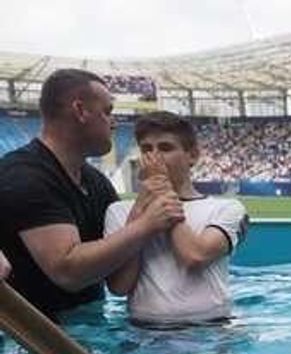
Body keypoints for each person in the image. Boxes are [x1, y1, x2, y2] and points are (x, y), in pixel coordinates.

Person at [0, 69, 183, 318]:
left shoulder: (96, 182)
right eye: (107, 112)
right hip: (33, 342)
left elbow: (119, 278)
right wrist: (147, 225)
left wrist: (145, 202)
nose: (114, 122)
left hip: (89, 326)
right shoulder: (24, 176)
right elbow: (67, 271)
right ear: (81, 110)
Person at [104, 111, 249, 326]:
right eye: (146, 149)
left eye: (165, 148)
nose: (154, 157)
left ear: (192, 155)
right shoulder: (119, 211)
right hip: (145, 332)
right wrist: (142, 210)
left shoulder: (227, 209)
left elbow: (194, 256)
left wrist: (161, 191)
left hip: (211, 331)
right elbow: (119, 286)